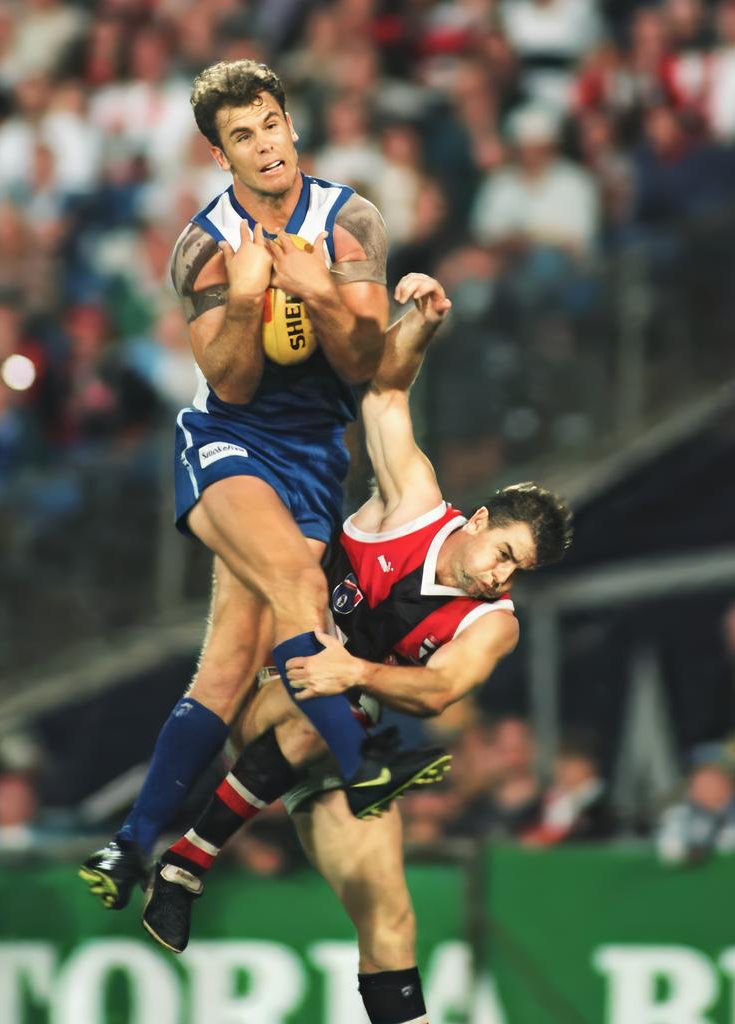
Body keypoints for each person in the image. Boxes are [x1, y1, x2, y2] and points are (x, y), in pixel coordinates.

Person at [142, 274, 573, 1024]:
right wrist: (424, 322)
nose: (500, 575)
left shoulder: (493, 623)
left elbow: (438, 692)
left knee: (390, 919)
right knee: (320, 700)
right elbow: (384, 393)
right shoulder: (413, 501)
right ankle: (186, 862)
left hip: (343, 741)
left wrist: (351, 671)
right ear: (475, 520)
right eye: (503, 552)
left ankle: (188, 865)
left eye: (517, 571)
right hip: (270, 689)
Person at [80, 59, 446, 910]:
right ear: (221, 155)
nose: (265, 144)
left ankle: (135, 848)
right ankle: (364, 761)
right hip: (228, 442)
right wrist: (248, 304)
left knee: (230, 665)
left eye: (271, 124)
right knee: (296, 584)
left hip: (317, 456)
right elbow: (233, 384)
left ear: (290, 125)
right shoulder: (205, 248)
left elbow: (364, 365)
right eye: (242, 135)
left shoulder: (349, 221)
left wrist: (323, 294)